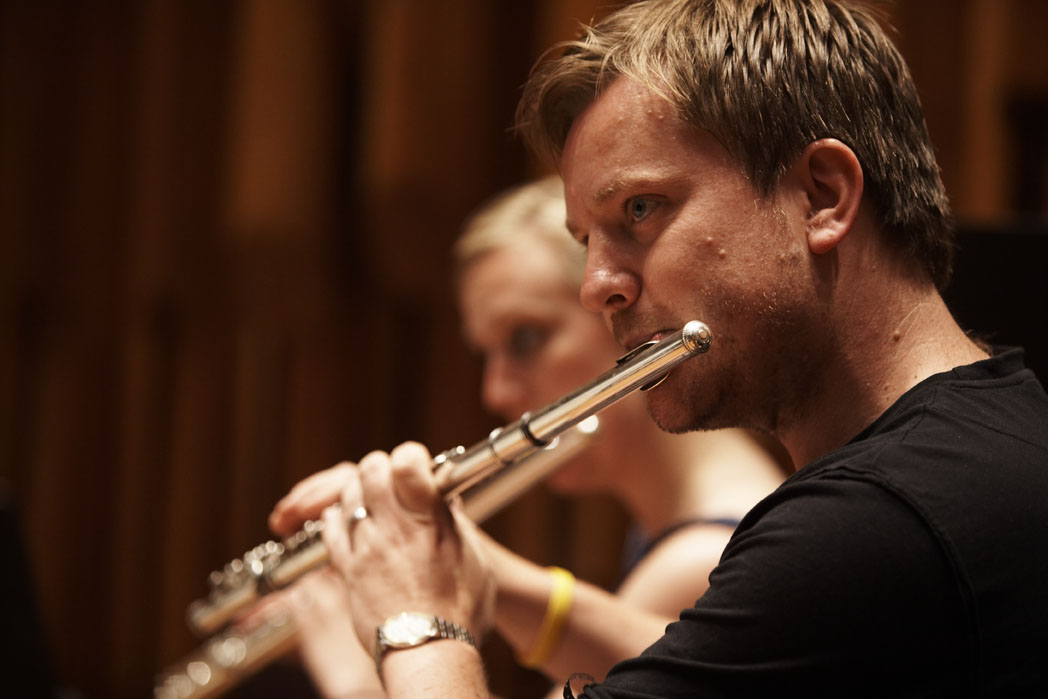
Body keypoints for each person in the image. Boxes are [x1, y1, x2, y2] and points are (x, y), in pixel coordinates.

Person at [272, 0, 1048, 696]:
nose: (596, 286)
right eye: (586, 240)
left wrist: (416, 616)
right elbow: (701, 662)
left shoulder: (872, 524)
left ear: (821, 195)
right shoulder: (997, 434)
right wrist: (486, 575)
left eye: (639, 210)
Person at [268, 176, 787, 696]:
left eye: (525, 338)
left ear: (622, 314)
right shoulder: (676, 533)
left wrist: (349, 654)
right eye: (486, 354)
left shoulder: (700, 560)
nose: (495, 391)